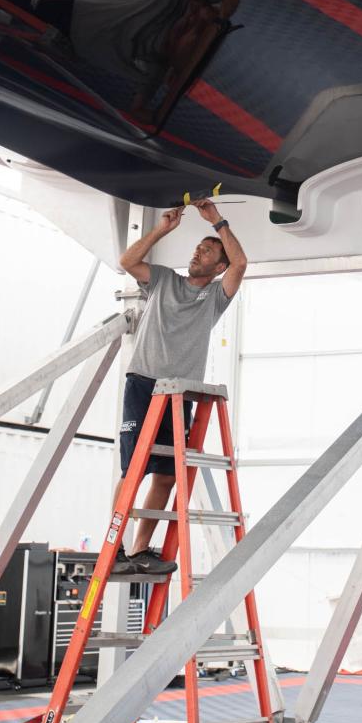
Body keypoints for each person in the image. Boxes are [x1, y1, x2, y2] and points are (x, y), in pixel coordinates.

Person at [112, 197, 246, 575]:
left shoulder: (215, 297)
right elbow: (127, 262)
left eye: (207, 251)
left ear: (218, 267)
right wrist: (162, 229)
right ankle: (116, 549)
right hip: (144, 385)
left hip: (178, 394)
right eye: (198, 247)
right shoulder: (164, 279)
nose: (198, 252)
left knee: (167, 475)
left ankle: (140, 549)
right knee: (133, 470)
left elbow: (241, 263)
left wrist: (216, 220)